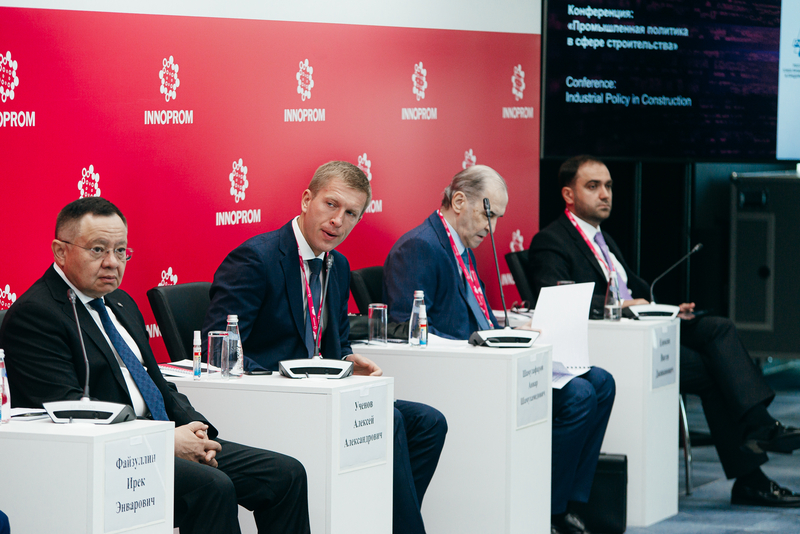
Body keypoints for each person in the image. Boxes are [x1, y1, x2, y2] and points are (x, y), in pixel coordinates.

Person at [0, 197, 311, 534]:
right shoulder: (36, 316)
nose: (112, 263)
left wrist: (195, 430)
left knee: (285, 474)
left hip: (161, 437)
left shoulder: (119, 301)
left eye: (121, 251)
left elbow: (156, 383)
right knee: (212, 487)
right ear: (60, 251)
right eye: (98, 250)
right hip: (110, 456)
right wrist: (165, 442)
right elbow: (71, 414)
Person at [527, 154, 800, 508]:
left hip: (645, 327)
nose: (605, 194)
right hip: (613, 341)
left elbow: (633, 286)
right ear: (568, 194)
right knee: (717, 372)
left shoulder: (602, 238)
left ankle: (759, 426)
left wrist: (667, 308)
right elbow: (554, 296)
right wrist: (625, 306)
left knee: (718, 328)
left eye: (608, 186)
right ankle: (754, 462)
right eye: (593, 186)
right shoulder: (551, 240)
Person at [201, 161, 447, 534]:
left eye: (351, 213)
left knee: (428, 422)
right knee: (390, 419)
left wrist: (346, 360)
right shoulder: (256, 258)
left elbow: (334, 343)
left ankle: (378, 518)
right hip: (275, 396)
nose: (338, 221)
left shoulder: (338, 265)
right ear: (307, 200)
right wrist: (289, 375)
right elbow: (219, 349)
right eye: (331, 204)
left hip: (324, 392)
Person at [384, 164, 615, 534]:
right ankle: (550, 512)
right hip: (464, 374)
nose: (491, 228)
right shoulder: (420, 248)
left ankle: (568, 502)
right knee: (579, 395)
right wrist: (477, 343)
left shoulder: (460, 246)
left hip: (490, 362)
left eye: (497, 218)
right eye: (488, 214)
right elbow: (407, 331)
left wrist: (509, 328)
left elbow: (471, 313)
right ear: (459, 201)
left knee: (601, 382)